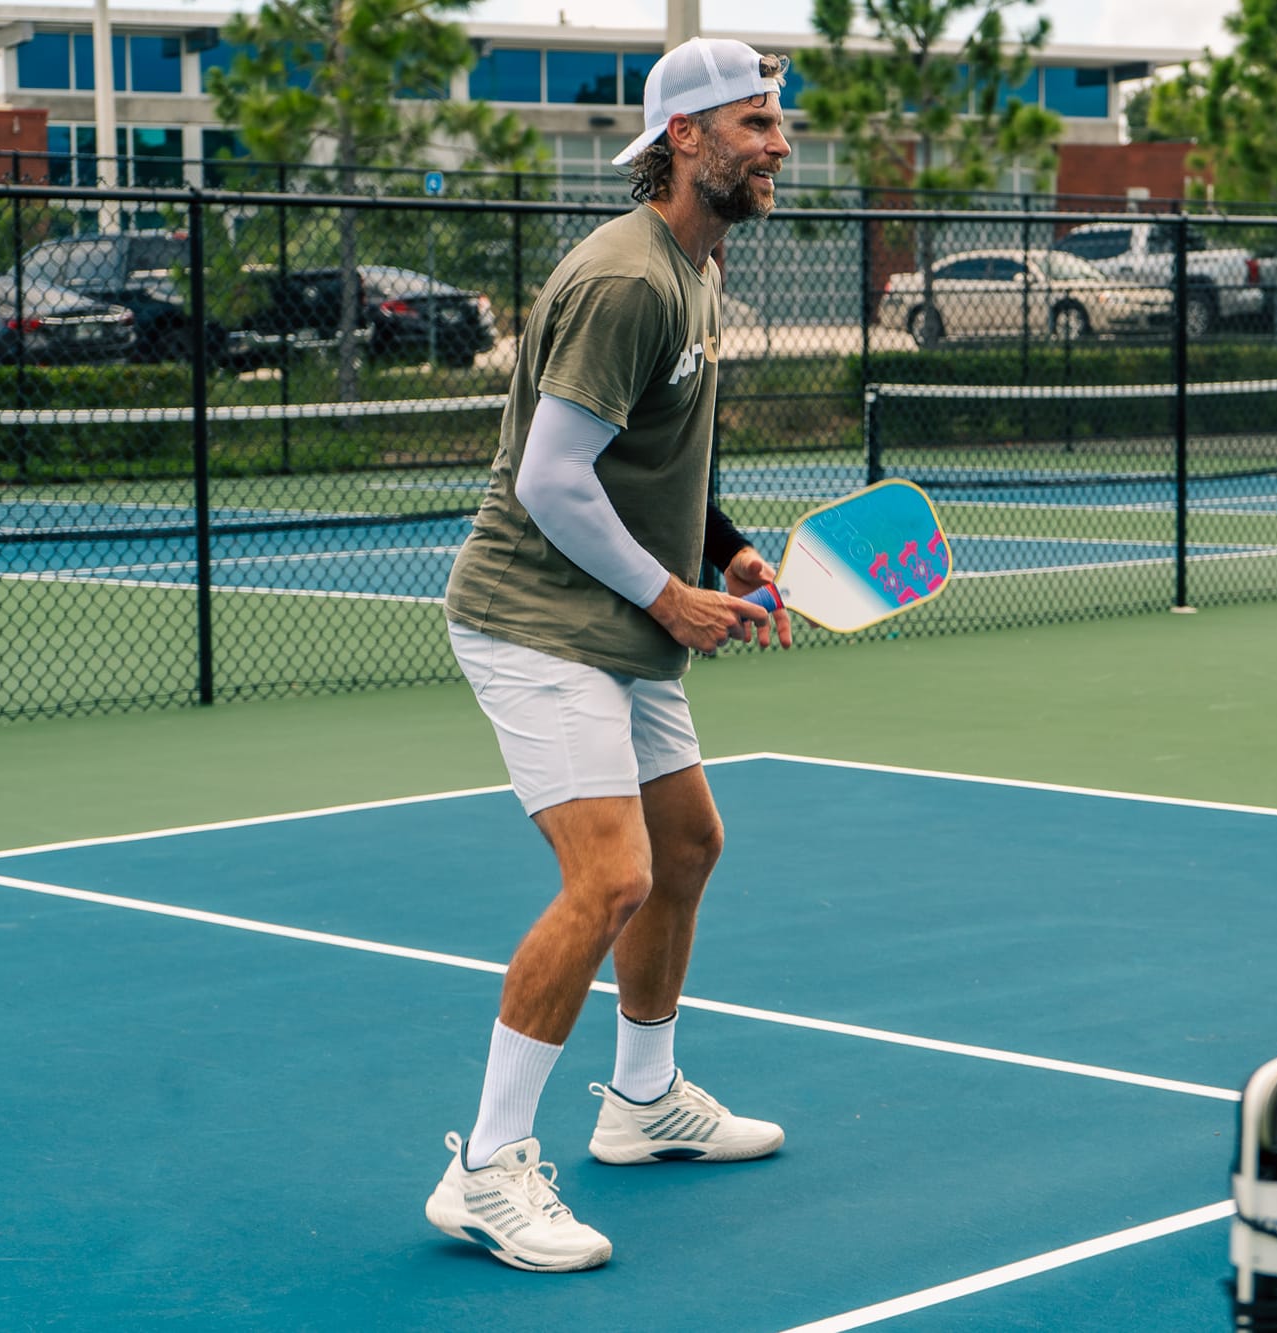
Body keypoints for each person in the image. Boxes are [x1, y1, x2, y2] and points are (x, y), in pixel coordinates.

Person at [423, 36, 795, 1273]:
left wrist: (723, 548)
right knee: (610, 878)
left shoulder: (695, 261)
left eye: (775, 121)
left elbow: (644, 452)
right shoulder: (628, 277)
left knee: (687, 845)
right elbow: (549, 477)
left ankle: (642, 1103)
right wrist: (670, 594)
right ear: (683, 137)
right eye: (753, 123)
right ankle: (484, 1169)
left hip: (616, 617)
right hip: (536, 619)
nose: (776, 144)